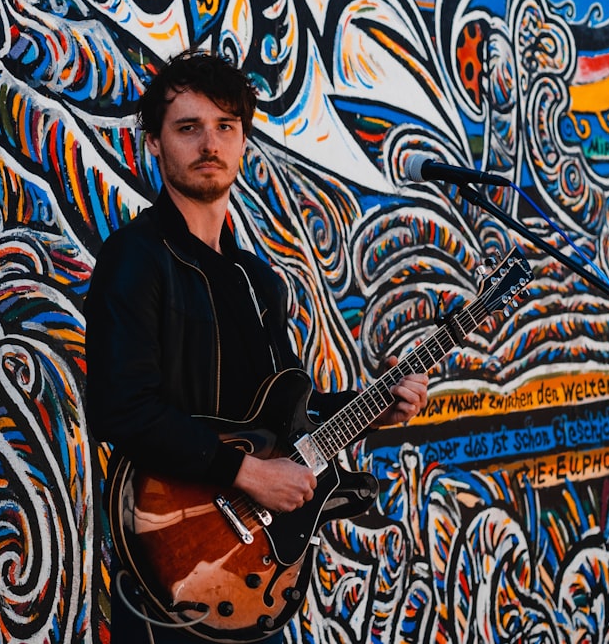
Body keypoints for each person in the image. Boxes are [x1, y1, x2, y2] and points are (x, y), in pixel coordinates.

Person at [84, 50, 429, 643]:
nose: (209, 144)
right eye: (188, 128)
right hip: (171, 555)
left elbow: (286, 414)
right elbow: (123, 409)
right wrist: (246, 472)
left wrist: (373, 408)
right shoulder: (134, 260)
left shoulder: (256, 279)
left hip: (253, 574)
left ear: (244, 142)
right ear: (155, 144)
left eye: (226, 127)